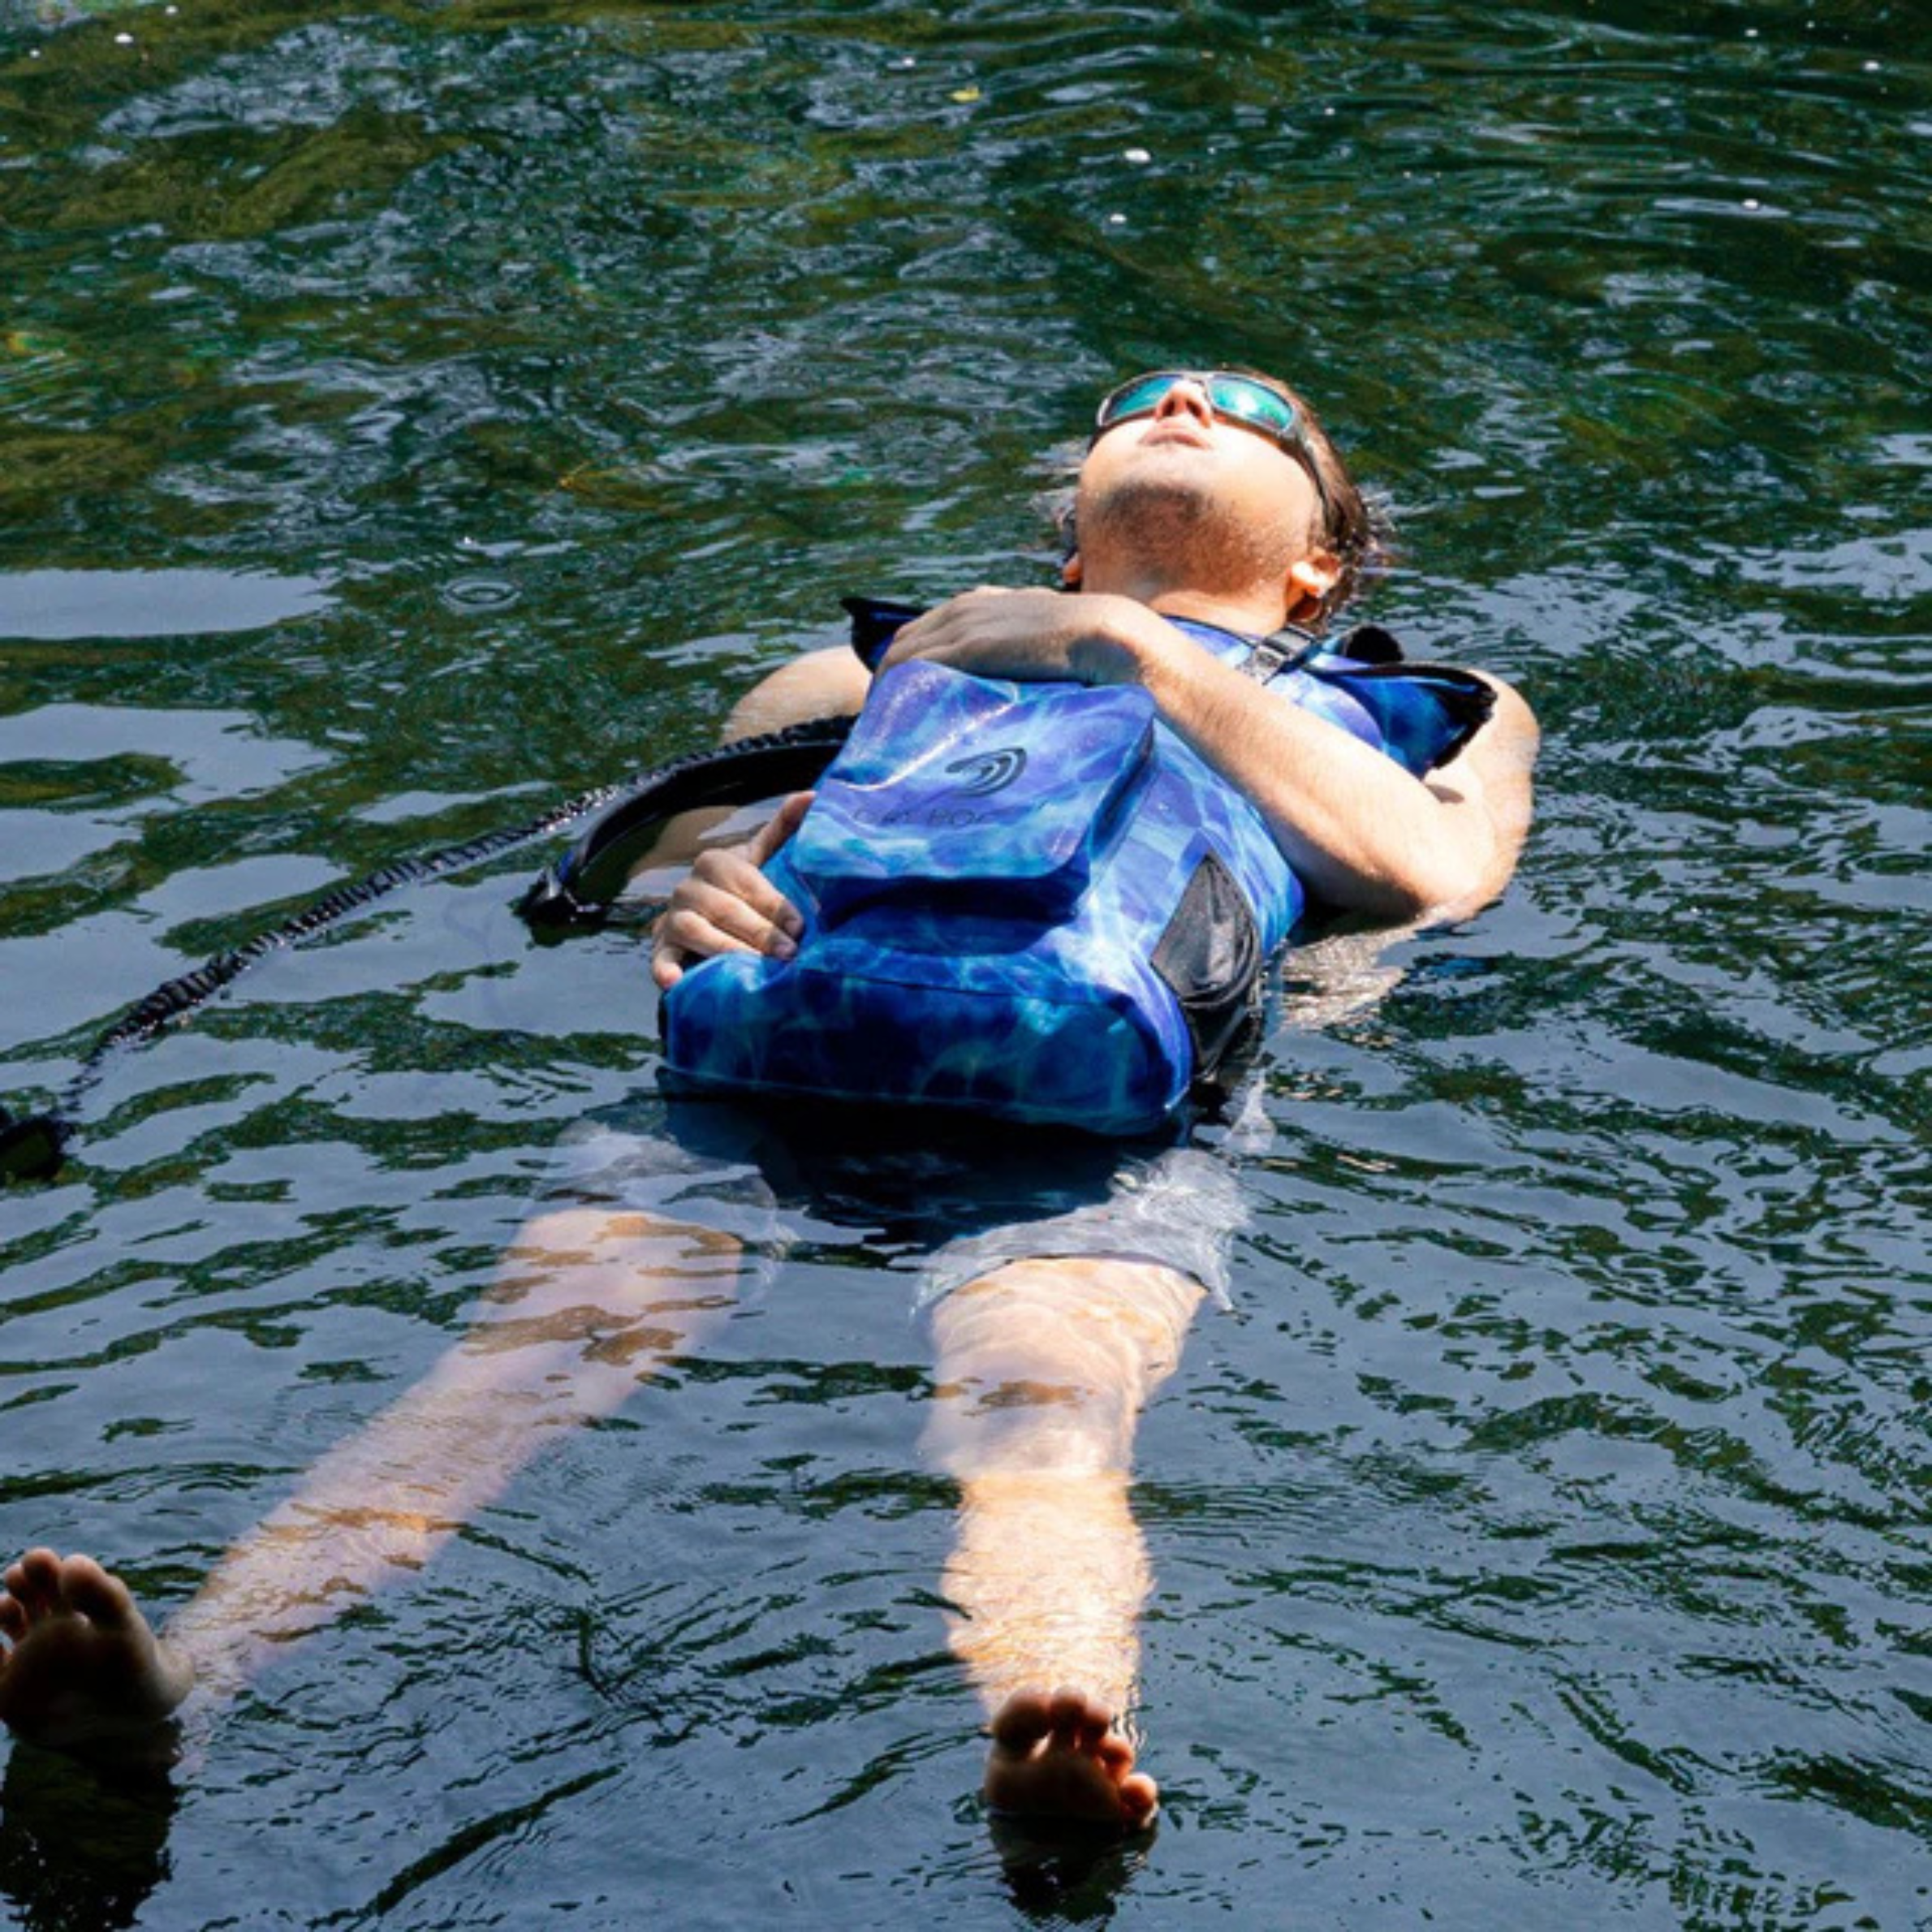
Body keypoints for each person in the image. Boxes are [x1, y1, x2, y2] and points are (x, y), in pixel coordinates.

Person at [0, 369, 1537, 1832]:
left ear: (1319, 565)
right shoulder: (851, 679)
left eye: (1247, 412)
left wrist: (1123, 645)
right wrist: (701, 885)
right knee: (536, 1351)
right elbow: (657, 872)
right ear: (1070, 527)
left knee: (1048, 1389)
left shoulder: (1442, 711)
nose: (1182, 404)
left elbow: (1438, 873)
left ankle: (1056, 1721)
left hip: (1116, 1108)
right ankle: (189, 1683)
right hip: (781, 1052)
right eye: (1132, 407)